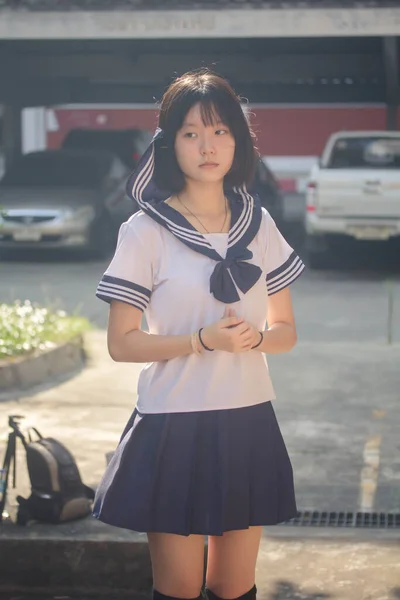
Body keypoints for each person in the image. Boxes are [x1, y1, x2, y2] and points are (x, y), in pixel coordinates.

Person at [93, 69, 305, 600]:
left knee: (236, 589)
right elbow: (123, 343)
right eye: (191, 133)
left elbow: (285, 332)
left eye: (220, 131)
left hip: (248, 417)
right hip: (172, 425)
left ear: (239, 140)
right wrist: (200, 342)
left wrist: (255, 340)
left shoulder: (259, 224)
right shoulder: (145, 230)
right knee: (180, 590)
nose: (207, 146)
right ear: (170, 146)